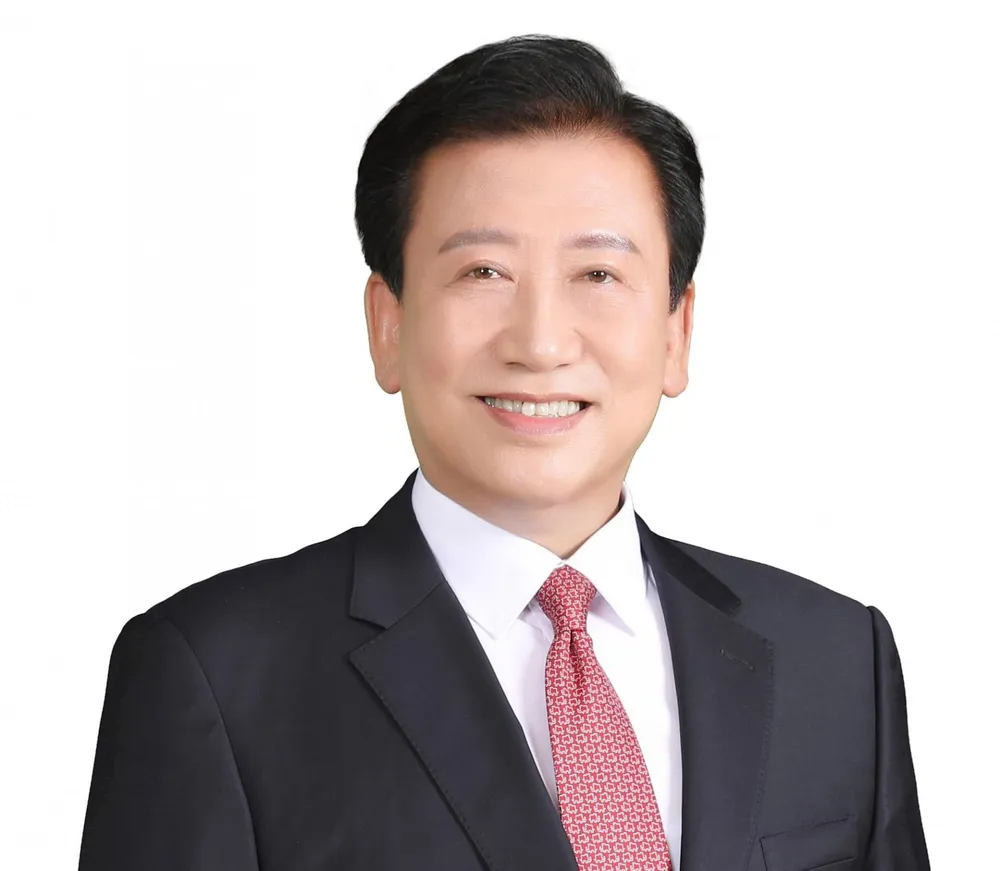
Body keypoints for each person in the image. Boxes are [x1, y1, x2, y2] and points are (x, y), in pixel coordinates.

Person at [78, 34, 931, 871]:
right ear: (388, 325)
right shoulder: (216, 675)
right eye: (483, 272)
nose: (541, 342)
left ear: (677, 332)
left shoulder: (834, 660)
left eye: (597, 275)